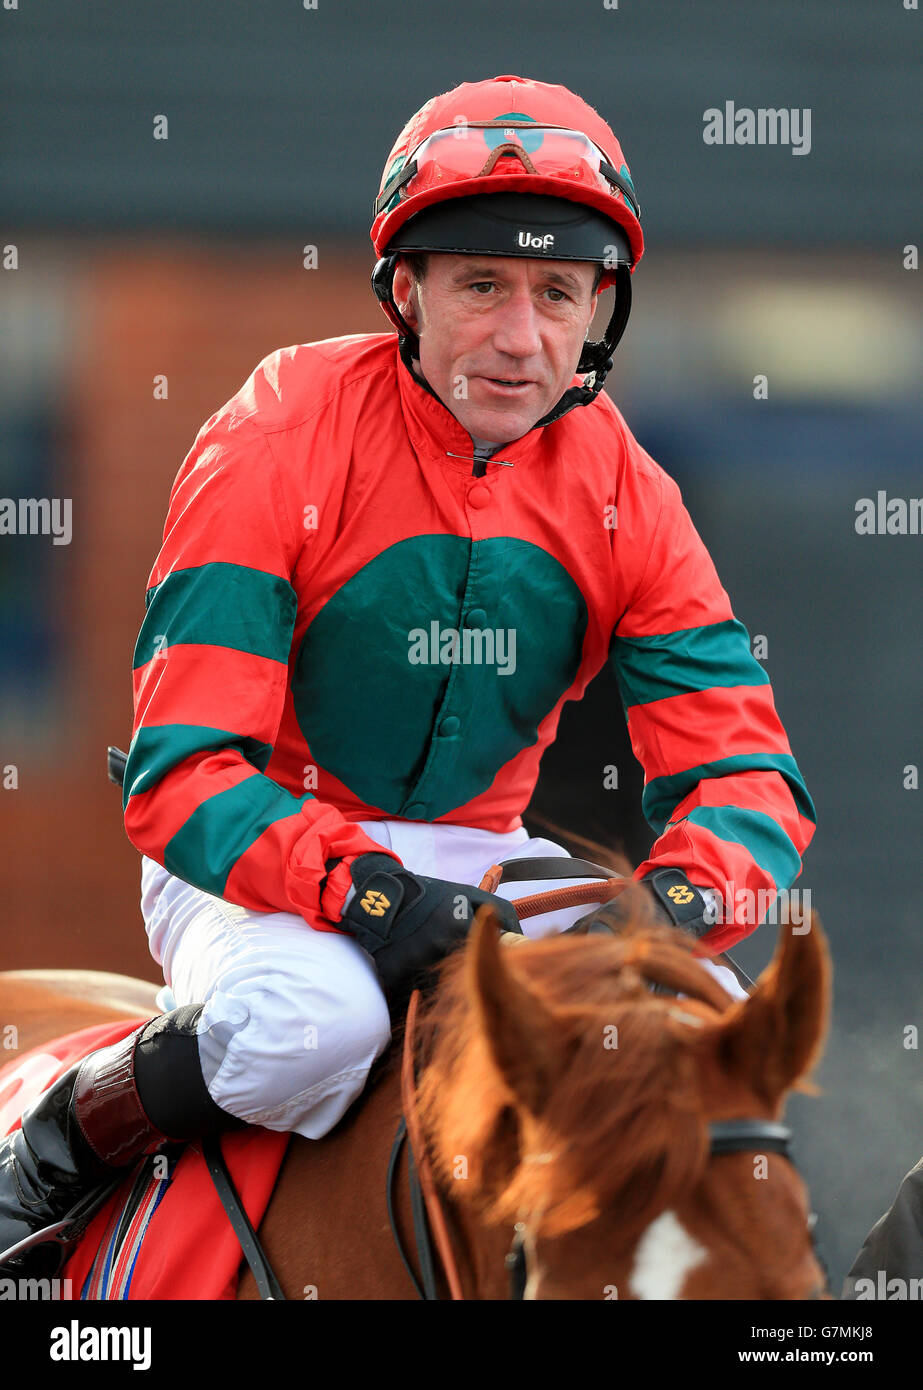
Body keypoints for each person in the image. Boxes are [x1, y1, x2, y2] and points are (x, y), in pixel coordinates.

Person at [0, 74, 815, 1270]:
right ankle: (53, 1151)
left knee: (709, 1038)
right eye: (480, 285)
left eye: (554, 293)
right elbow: (183, 780)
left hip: (485, 852)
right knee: (308, 1024)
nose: (519, 335)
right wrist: (379, 900)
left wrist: (664, 916)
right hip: (257, 852)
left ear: (600, 310)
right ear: (408, 293)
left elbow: (748, 779)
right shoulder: (276, 428)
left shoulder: (627, 489)